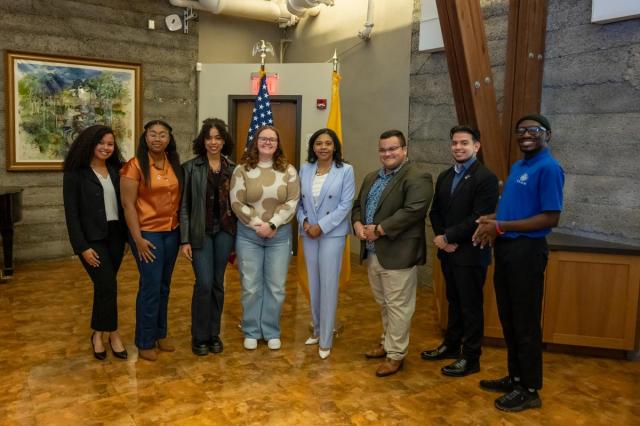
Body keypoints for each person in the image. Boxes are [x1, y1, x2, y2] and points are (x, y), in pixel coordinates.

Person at [473, 114, 564, 412]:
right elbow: (513, 207)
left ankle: (529, 389)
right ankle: (515, 378)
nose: (526, 134)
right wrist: (494, 219)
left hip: (528, 250)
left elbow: (551, 217)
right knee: (509, 317)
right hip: (508, 249)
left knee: (525, 322)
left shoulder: (549, 168)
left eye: (534, 130)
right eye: (521, 130)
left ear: (547, 135)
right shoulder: (518, 166)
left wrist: (501, 227)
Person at [351, 129, 433, 377]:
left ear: (404, 150)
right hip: (374, 252)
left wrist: (380, 229)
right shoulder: (372, 177)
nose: (387, 153)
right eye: (383, 149)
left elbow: (414, 210)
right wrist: (356, 224)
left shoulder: (418, 176)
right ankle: (387, 343)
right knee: (384, 303)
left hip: (399, 252)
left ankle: (396, 354)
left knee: (399, 306)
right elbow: (358, 206)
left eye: (392, 148)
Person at [421, 125, 499, 377]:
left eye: (464, 143)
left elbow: (480, 217)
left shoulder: (486, 178)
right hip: (448, 251)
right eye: (454, 143)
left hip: (471, 252)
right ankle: (451, 346)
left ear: (476, 146)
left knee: (471, 306)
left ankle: (471, 357)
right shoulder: (445, 176)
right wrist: (442, 238)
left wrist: (449, 236)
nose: (458, 147)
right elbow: (435, 211)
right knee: (453, 301)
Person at [230, 125, 300, 351]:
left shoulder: (288, 171)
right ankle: (251, 330)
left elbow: (292, 202)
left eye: (272, 139)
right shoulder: (241, 170)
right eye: (263, 138)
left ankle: (271, 331)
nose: (268, 142)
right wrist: (258, 225)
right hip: (249, 236)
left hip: (279, 236)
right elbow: (236, 202)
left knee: (276, 286)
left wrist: (272, 224)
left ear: (278, 143)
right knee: (251, 285)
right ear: (255, 142)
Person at [63, 125, 128, 360]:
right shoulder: (75, 174)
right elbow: (71, 214)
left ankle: (98, 333)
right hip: (92, 239)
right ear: (90, 144)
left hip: (116, 237)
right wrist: (81, 247)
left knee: (104, 288)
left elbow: (126, 205)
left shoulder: (117, 170)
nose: (106, 148)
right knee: (107, 286)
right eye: (101, 143)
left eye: (110, 144)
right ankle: (112, 333)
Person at [120, 119, 182, 362]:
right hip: (148, 233)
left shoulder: (172, 163)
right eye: (153, 134)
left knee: (164, 285)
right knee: (150, 285)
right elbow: (128, 205)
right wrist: (137, 238)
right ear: (145, 138)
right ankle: (145, 340)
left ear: (169, 138)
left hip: (172, 231)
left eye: (163, 135)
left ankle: (160, 332)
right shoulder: (134, 166)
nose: (158, 138)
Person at [297, 128, 355, 359]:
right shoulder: (305, 169)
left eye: (328, 143)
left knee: (329, 284)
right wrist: (304, 223)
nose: (323, 147)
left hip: (332, 233)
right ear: (313, 147)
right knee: (314, 282)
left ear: (335, 147)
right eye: (318, 143)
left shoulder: (345, 170)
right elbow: (297, 202)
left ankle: (326, 339)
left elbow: (346, 204)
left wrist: (321, 225)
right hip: (309, 233)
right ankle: (317, 328)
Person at [180, 118, 237, 356]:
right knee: (203, 284)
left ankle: (214, 334)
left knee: (217, 284)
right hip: (200, 233)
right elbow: (184, 206)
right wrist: (184, 240)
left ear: (224, 141)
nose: (213, 142)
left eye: (218, 137)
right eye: (209, 137)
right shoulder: (190, 167)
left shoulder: (234, 169)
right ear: (202, 141)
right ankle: (199, 335)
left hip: (225, 232)